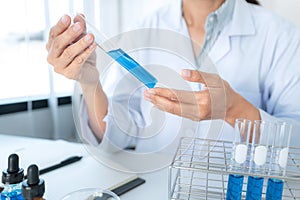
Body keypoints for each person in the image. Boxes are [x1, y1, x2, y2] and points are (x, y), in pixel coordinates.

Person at [46, 0, 300, 152]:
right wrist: (90, 83)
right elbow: (116, 136)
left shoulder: (281, 36)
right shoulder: (144, 29)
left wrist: (236, 111)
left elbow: (296, 145)